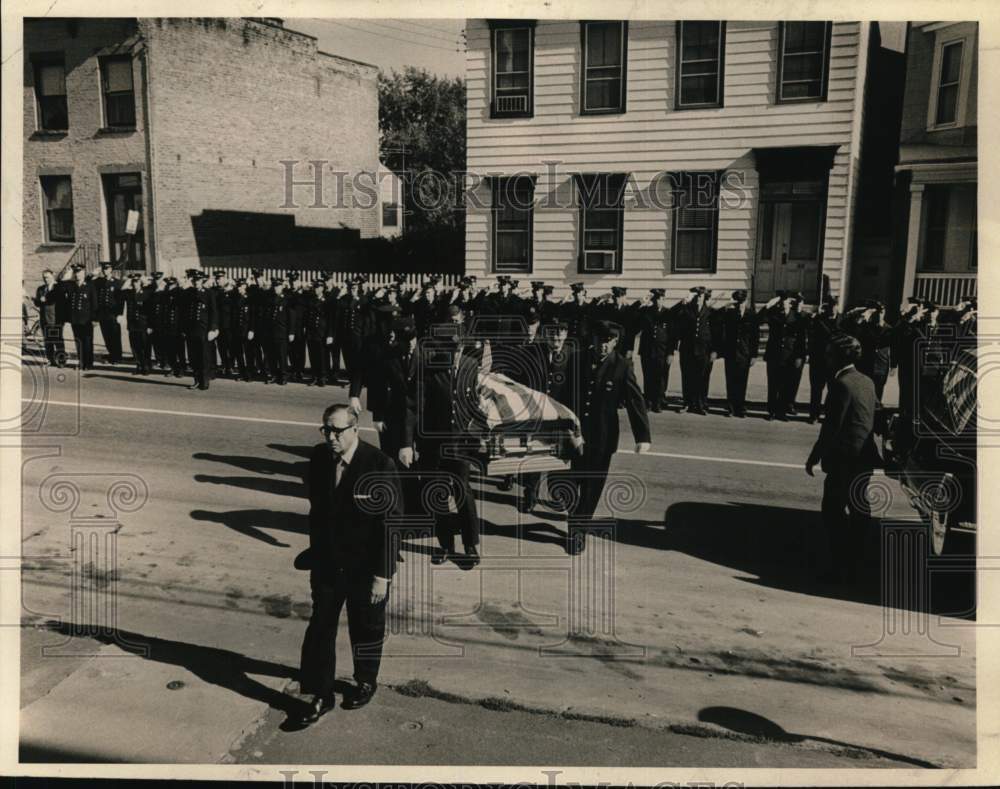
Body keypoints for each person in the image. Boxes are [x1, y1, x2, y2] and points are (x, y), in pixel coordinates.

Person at [298, 403, 402, 723]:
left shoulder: (379, 465)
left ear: (355, 429)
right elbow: (318, 513)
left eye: (337, 431)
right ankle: (320, 694)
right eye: (326, 429)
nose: (330, 437)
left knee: (366, 627)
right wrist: (315, 555)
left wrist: (382, 576)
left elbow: (391, 524)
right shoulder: (318, 458)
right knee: (320, 629)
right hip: (328, 565)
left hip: (366, 567)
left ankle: (365, 680)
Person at [403, 308, 483, 566]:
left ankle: (470, 545)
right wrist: (408, 442)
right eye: (450, 347)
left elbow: (477, 406)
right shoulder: (430, 369)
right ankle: (445, 544)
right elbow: (414, 406)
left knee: (463, 493)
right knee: (436, 494)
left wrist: (478, 435)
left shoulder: (472, 367)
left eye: (458, 348)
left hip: (460, 445)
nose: (454, 352)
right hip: (433, 445)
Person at [563, 321, 650, 555]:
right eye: (600, 341)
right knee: (570, 483)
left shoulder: (622, 365)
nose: (603, 346)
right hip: (576, 435)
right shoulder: (577, 359)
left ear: (615, 343)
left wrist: (642, 436)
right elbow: (563, 395)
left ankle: (577, 531)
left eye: (609, 342)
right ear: (593, 340)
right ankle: (575, 518)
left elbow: (635, 401)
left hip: (603, 437)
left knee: (592, 487)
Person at [805, 333, 880, 584]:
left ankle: (840, 566)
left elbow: (832, 427)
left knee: (833, 512)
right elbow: (876, 414)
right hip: (865, 456)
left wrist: (814, 457)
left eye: (829, 354)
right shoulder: (866, 381)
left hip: (846, 458)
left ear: (838, 357)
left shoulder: (841, 384)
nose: (825, 358)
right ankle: (857, 561)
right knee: (859, 510)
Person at [515, 319, 577, 513]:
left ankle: (556, 491)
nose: (556, 338)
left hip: (560, 415)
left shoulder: (573, 356)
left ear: (566, 335)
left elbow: (576, 387)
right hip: (536, 414)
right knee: (534, 454)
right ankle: (530, 494)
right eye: (552, 334)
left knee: (559, 456)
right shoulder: (532, 353)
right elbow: (520, 382)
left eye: (560, 333)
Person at [760, 291, 807, 421]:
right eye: (781, 301)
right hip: (774, 355)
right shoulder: (773, 314)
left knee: (786, 385)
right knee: (773, 384)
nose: (782, 303)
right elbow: (759, 319)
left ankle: (781, 412)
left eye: (785, 301)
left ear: (790, 303)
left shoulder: (797, 316)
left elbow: (802, 336)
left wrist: (799, 355)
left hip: (789, 355)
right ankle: (771, 411)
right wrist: (768, 305)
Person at [719, 289, 759, 418]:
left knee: (742, 380)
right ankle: (730, 407)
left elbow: (755, 336)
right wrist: (726, 306)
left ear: (746, 301)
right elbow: (718, 322)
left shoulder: (751, 315)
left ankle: (740, 407)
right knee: (730, 380)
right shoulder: (729, 313)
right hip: (731, 352)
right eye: (738, 302)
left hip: (744, 352)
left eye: (742, 302)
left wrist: (753, 355)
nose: (740, 305)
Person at [676, 287, 715, 414]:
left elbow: (716, 332)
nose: (698, 298)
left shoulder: (710, 311)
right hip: (687, 349)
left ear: (705, 297)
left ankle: (700, 404)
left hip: (704, 350)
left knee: (702, 378)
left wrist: (714, 350)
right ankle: (687, 403)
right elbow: (676, 321)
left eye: (701, 296)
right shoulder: (686, 309)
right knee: (687, 376)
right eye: (697, 296)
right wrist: (682, 303)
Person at [637, 289, 676, 413]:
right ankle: (648, 401)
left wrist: (670, 353)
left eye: (661, 299)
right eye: (656, 299)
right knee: (648, 376)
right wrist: (642, 302)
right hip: (647, 350)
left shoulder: (668, 313)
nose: (658, 301)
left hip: (662, 351)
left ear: (664, 299)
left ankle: (658, 402)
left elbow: (672, 335)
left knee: (661, 378)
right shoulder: (645, 312)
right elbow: (635, 318)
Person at [182, 270, 219, 391]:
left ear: (202, 281)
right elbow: (184, 311)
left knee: (204, 356)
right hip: (191, 330)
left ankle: (204, 380)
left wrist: (213, 329)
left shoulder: (209, 293)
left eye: (198, 280)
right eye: (194, 280)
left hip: (204, 330)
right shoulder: (188, 293)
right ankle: (196, 379)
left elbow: (213, 312)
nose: (196, 282)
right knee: (193, 357)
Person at [807, 295, 841, 423]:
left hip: (835, 362)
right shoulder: (818, 320)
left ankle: (830, 416)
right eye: (831, 306)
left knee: (833, 392)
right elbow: (811, 336)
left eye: (835, 306)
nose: (833, 309)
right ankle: (814, 415)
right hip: (818, 360)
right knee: (816, 390)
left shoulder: (843, 320)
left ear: (838, 306)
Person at [64, 264, 97, 370]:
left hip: (87, 319)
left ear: (84, 273)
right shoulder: (71, 286)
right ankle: (81, 362)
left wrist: (95, 319)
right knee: (78, 341)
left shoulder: (90, 285)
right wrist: (69, 272)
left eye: (79, 272)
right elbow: (62, 282)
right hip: (75, 319)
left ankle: (89, 363)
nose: (77, 275)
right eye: (76, 273)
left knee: (87, 341)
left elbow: (94, 304)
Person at [33, 269, 66, 367]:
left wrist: (45, 299)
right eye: (44, 277)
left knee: (57, 340)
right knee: (47, 341)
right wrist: (39, 300)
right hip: (44, 319)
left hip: (55, 319)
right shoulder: (41, 289)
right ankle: (50, 360)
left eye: (47, 277)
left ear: (53, 275)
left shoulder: (58, 288)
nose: (45, 279)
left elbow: (59, 299)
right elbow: (37, 303)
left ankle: (61, 360)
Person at [93, 262, 124, 365]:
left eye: (107, 269)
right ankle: (112, 354)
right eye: (103, 269)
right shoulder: (98, 281)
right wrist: (93, 274)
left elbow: (121, 300)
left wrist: (120, 314)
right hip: (102, 313)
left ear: (111, 269)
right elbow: (88, 282)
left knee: (115, 335)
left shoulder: (117, 282)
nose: (105, 271)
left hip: (113, 313)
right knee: (106, 335)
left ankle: (117, 357)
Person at [122, 272, 154, 375]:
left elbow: (150, 311)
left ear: (140, 282)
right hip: (132, 324)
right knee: (135, 347)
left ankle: (147, 366)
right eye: (133, 282)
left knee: (145, 347)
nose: (135, 283)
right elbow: (121, 290)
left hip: (143, 324)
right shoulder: (129, 293)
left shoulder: (146, 293)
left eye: (137, 281)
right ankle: (139, 365)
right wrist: (129, 279)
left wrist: (150, 325)